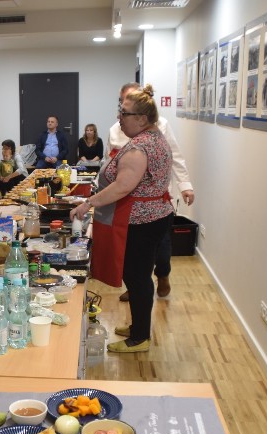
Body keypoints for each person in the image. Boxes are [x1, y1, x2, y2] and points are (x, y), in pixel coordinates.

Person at [70, 84, 173, 354]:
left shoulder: (140, 147)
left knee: (137, 277)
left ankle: (140, 337)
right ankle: (139, 326)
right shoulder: (154, 137)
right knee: (138, 276)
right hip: (154, 216)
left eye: (124, 113)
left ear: (142, 118)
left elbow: (122, 187)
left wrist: (88, 203)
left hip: (142, 221)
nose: (119, 117)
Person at [109, 82, 195, 301]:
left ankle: (163, 274)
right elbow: (109, 162)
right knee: (133, 252)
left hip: (156, 202)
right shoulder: (115, 129)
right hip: (127, 202)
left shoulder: (161, 126)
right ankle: (136, 287)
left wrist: (185, 185)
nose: (124, 108)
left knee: (161, 247)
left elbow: (175, 156)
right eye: (122, 102)